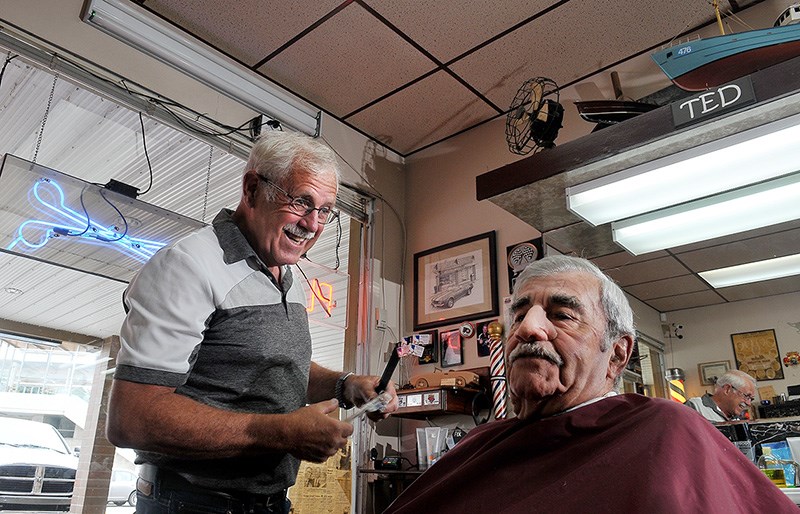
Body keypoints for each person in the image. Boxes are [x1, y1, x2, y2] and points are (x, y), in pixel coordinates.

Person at [107, 130, 398, 514]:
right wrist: (280, 432)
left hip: (267, 504)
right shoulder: (188, 266)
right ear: (251, 189)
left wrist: (346, 385)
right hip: (191, 505)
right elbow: (133, 419)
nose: (312, 224)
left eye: (325, 210)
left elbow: (273, 366)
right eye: (301, 202)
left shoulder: (286, 274)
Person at [385, 255, 796, 513]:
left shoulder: (664, 430)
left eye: (561, 315)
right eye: (520, 313)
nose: (527, 328)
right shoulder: (479, 445)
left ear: (617, 354)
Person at [685, 369, 757, 422]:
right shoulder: (694, 407)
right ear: (727, 389)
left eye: (751, 399)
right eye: (746, 396)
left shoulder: (739, 416)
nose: (748, 403)